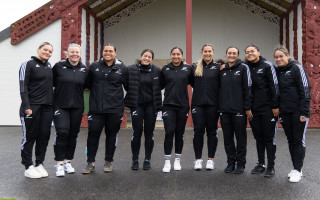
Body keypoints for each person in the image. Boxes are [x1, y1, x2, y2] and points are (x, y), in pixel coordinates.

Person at [82, 44, 128, 174]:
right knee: (92, 135)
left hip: (115, 110)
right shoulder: (94, 66)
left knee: (111, 136)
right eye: (105, 51)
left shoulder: (122, 68)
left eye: (110, 51)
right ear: (102, 52)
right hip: (96, 110)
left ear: (115, 53)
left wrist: (123, 103)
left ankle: (108, 161)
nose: (108, 53)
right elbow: (88, 84)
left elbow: (129, 87)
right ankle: (90, 163)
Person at [274, 46, 310, 183]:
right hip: (285, 111)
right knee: (291, 141)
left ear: (287, 55)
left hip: (298, 112)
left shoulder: (296, 68)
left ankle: (298, 169)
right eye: (276, 57)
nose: (278, 59)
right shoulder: (278, 71)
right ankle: (295, 168)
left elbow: (305, 89)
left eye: (280, 56)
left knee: (298, 140)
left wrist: (304, 112)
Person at [52, 44, 89, 177]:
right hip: (60, 106)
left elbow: (89, 86)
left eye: (77, 52)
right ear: (66, 53)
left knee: (73, 134)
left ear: (80, 54)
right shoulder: (58, 67)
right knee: (62, 132)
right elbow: (49, 83)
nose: (75, 54)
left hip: (77, 107)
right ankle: (59, 164)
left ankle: (68, 161)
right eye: (72, 52)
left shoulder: (84, 69)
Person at [19, 42, 54, 178]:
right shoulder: (28, 64)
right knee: (29, 136)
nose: (47, 53)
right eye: (45, 50)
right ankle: (28, 166)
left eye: (50, 51)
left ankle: (39, 163)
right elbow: (23, 86)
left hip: (47, 107)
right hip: (31, 107)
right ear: (38, 49)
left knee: (44, 136)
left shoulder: (49, 66)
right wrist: (26, 106)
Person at [124, 49, 162, 170]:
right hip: (137, 105)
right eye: (145, 56)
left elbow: (161, 84)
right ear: (141, 56)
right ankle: (135, 160)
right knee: (136, 133)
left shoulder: (157, 70)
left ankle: (147, 159)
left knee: (149, 134)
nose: (146, 58)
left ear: (152, 59)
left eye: (149, 57)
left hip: (151, 106)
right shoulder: (131, 69)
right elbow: (126, 84)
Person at [245, 45, 279, 177]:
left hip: (268, 109)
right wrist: (247, 108)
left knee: (269, 138)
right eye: (247, 52)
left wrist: (275, 106)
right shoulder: (245, 66)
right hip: (253, 110)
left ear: (258, 52)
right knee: (258, 138)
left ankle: (271, 166)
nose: (250, 54)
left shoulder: (267, 65)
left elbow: (274, 85)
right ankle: (261, 164)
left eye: (252, 51)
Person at [219, 46, 252, 174]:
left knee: (240, 138)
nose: (231, 55)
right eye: (229, 53)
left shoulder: (243, 68)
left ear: (237, 55)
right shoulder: (222, 69)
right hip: (224, 110)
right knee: (228, 138)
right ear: (226, 54)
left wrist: (247, 107)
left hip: (239, 110)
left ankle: (241, 164)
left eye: (234, 53)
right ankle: (230, 163)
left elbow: (247, 89)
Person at [160, 47, 193, 173]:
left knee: (180, 133)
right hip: (168, 105)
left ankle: (177, 160)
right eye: (173, 54)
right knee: (169, 132)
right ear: (171, 55)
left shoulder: (188, 69)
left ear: (182, 56)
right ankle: (167, 161)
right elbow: (159, 85)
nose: (176, 56)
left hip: (183, 105)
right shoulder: (165, 68)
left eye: (178, 54)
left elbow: (196, 82)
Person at [191, 44, 220, 171]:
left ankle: (210, 160)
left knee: (212, 132)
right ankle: (198, 160)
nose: (207, 53)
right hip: (198, 104)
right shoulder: (194, 67)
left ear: (213, 52)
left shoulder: (219, 67)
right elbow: (193, 83)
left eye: (209, 51)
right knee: (198, 131)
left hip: (213, 105)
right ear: (202, 52)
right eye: (205, 51)